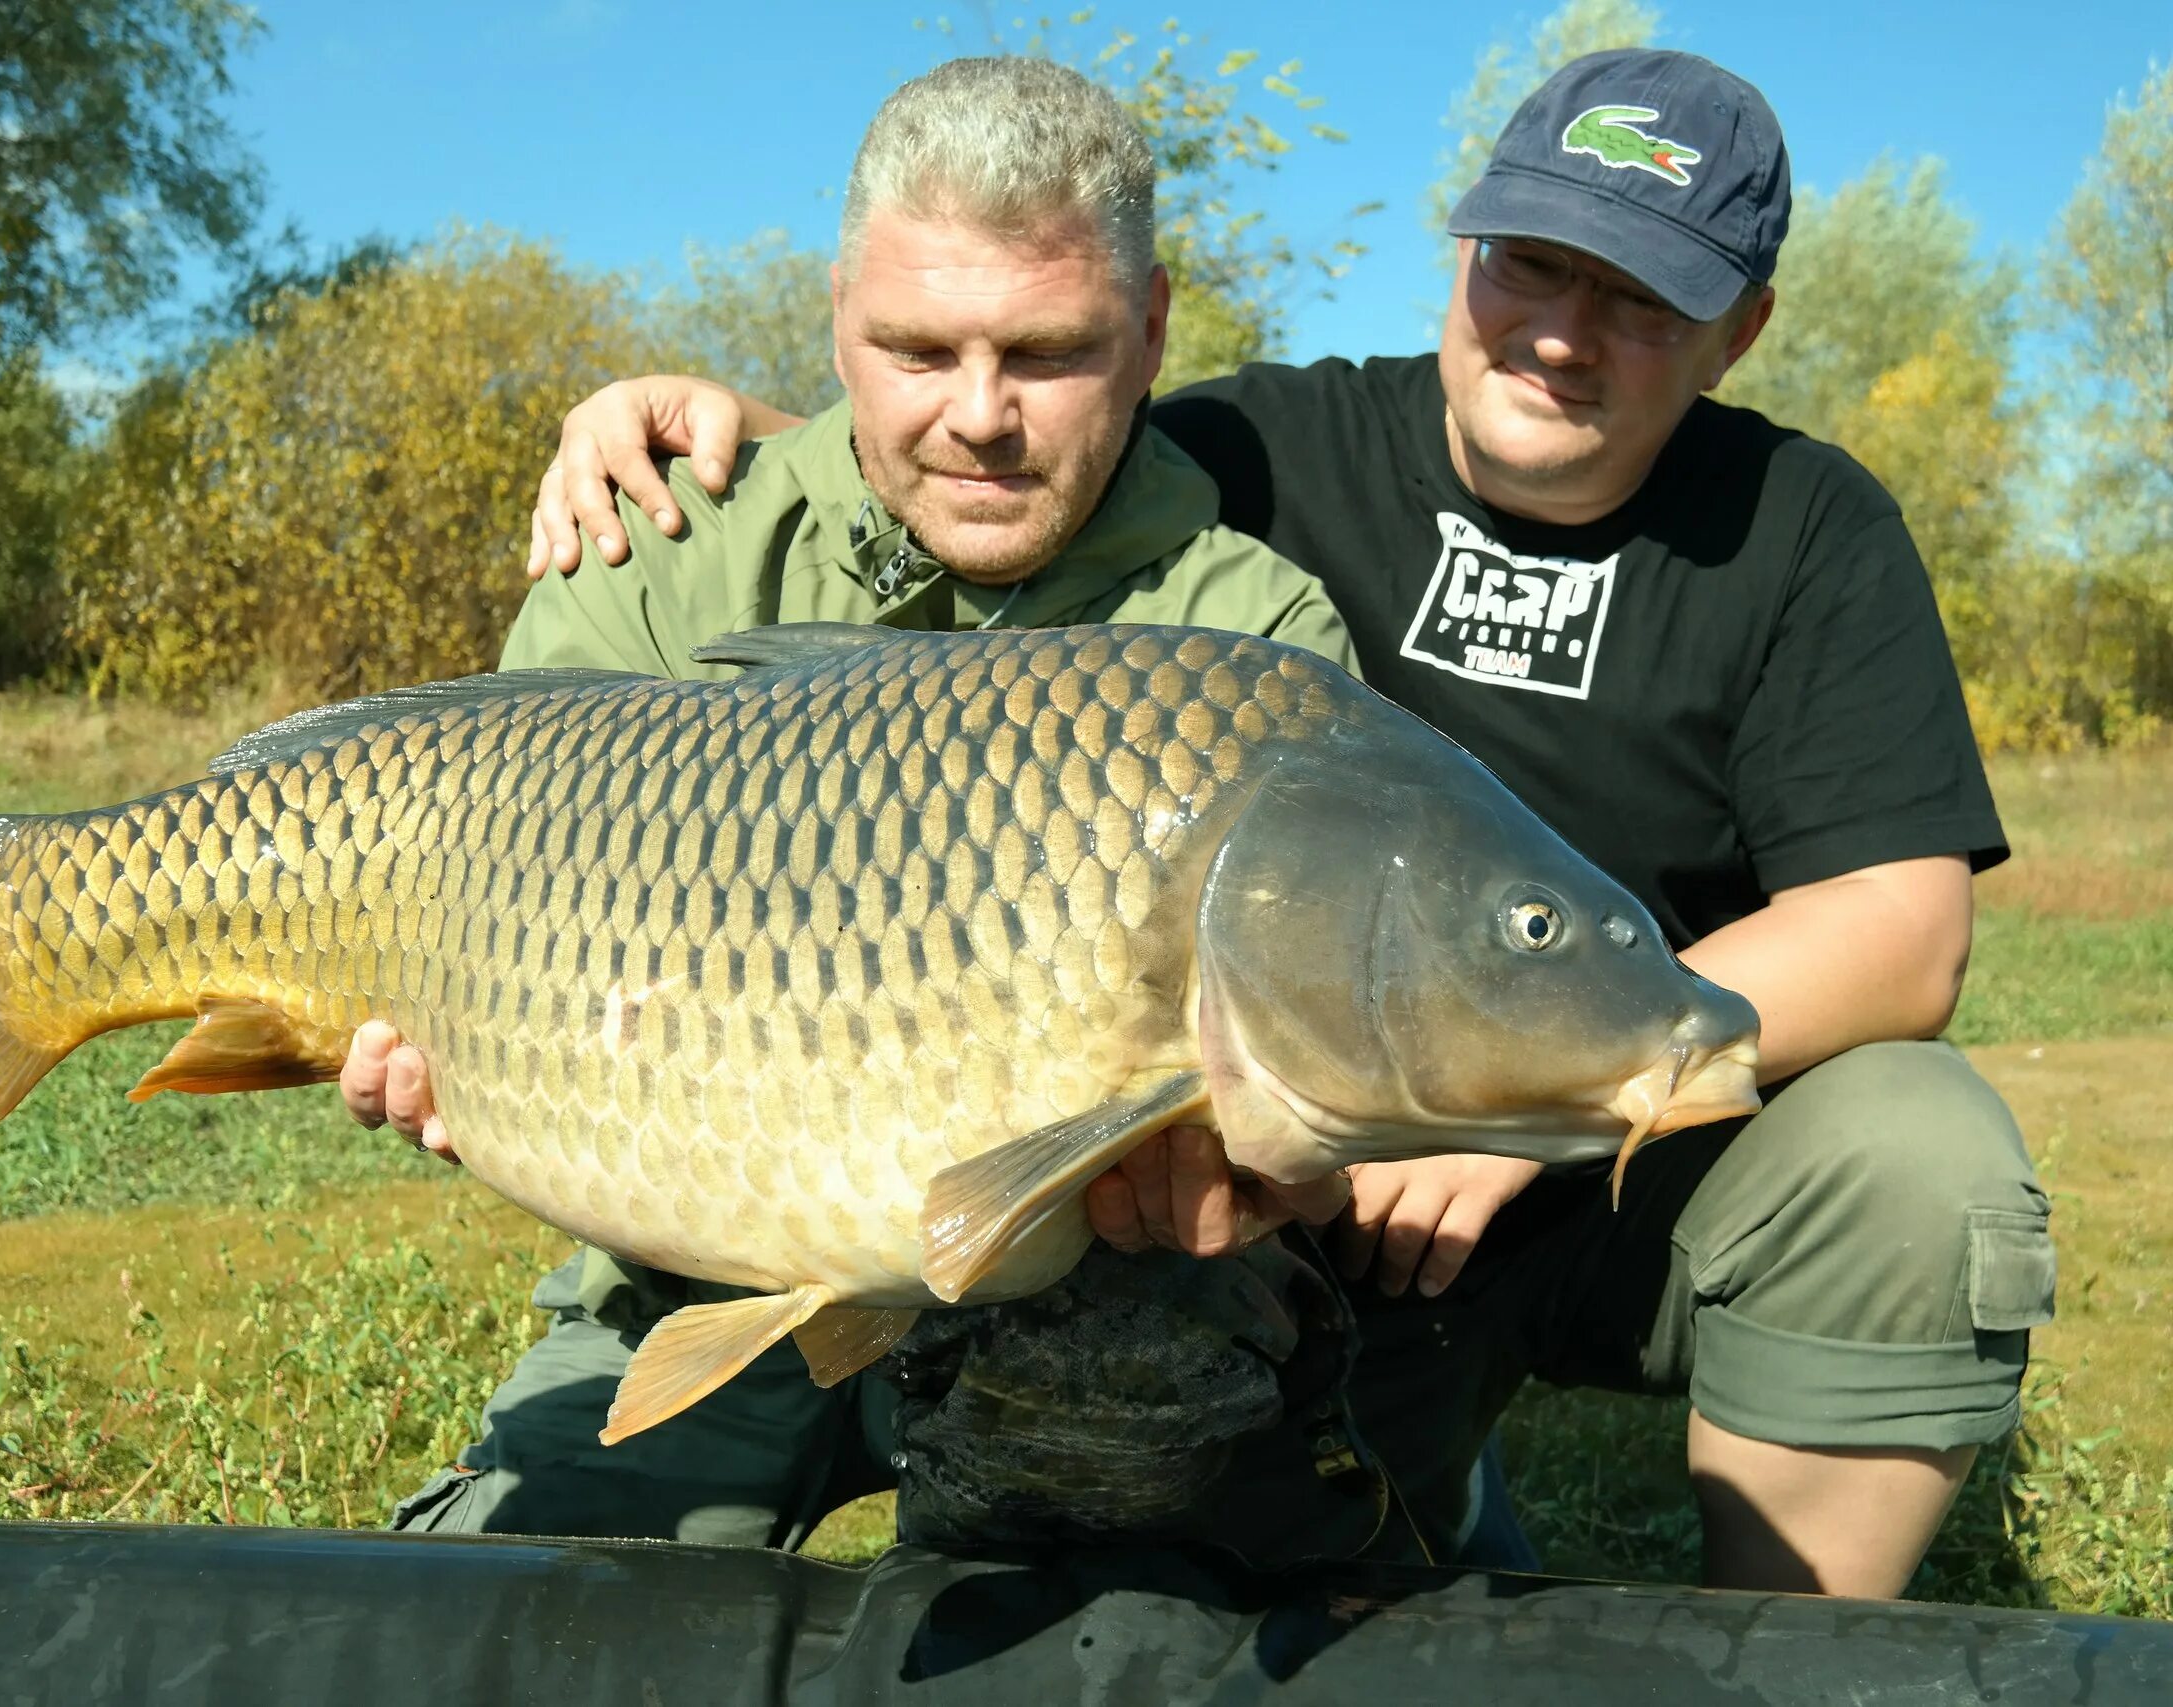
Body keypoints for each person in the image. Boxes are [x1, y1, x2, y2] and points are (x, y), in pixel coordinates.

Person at [391, 47, 2057, 1599]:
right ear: (1463, 251)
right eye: (1533, 265)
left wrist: (1516, 1112)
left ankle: (1783, 1663)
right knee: (545, 1596)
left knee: (1915, 1157)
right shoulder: (1268, 440)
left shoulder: (1796, 526)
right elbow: (979, 435)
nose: (1562, 331)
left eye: (1639, 298)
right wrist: (714, 428)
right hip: (1325, 1155)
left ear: (1739, 328)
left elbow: (1906, 930)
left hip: (1554, 1124)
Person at [354, 54, 1361, 1551]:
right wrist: (472, 1053)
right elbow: (483, 885)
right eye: (914, 348)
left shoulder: (1252, 642)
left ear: (1150, 333)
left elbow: (1321, 1092)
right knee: (539, 1615)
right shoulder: (662, 545)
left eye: (1048, 352)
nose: (980, 416)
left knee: (1095, 1611)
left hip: (1096, 1296)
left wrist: (1287, 1176)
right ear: (839, 318)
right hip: (686, 1271)